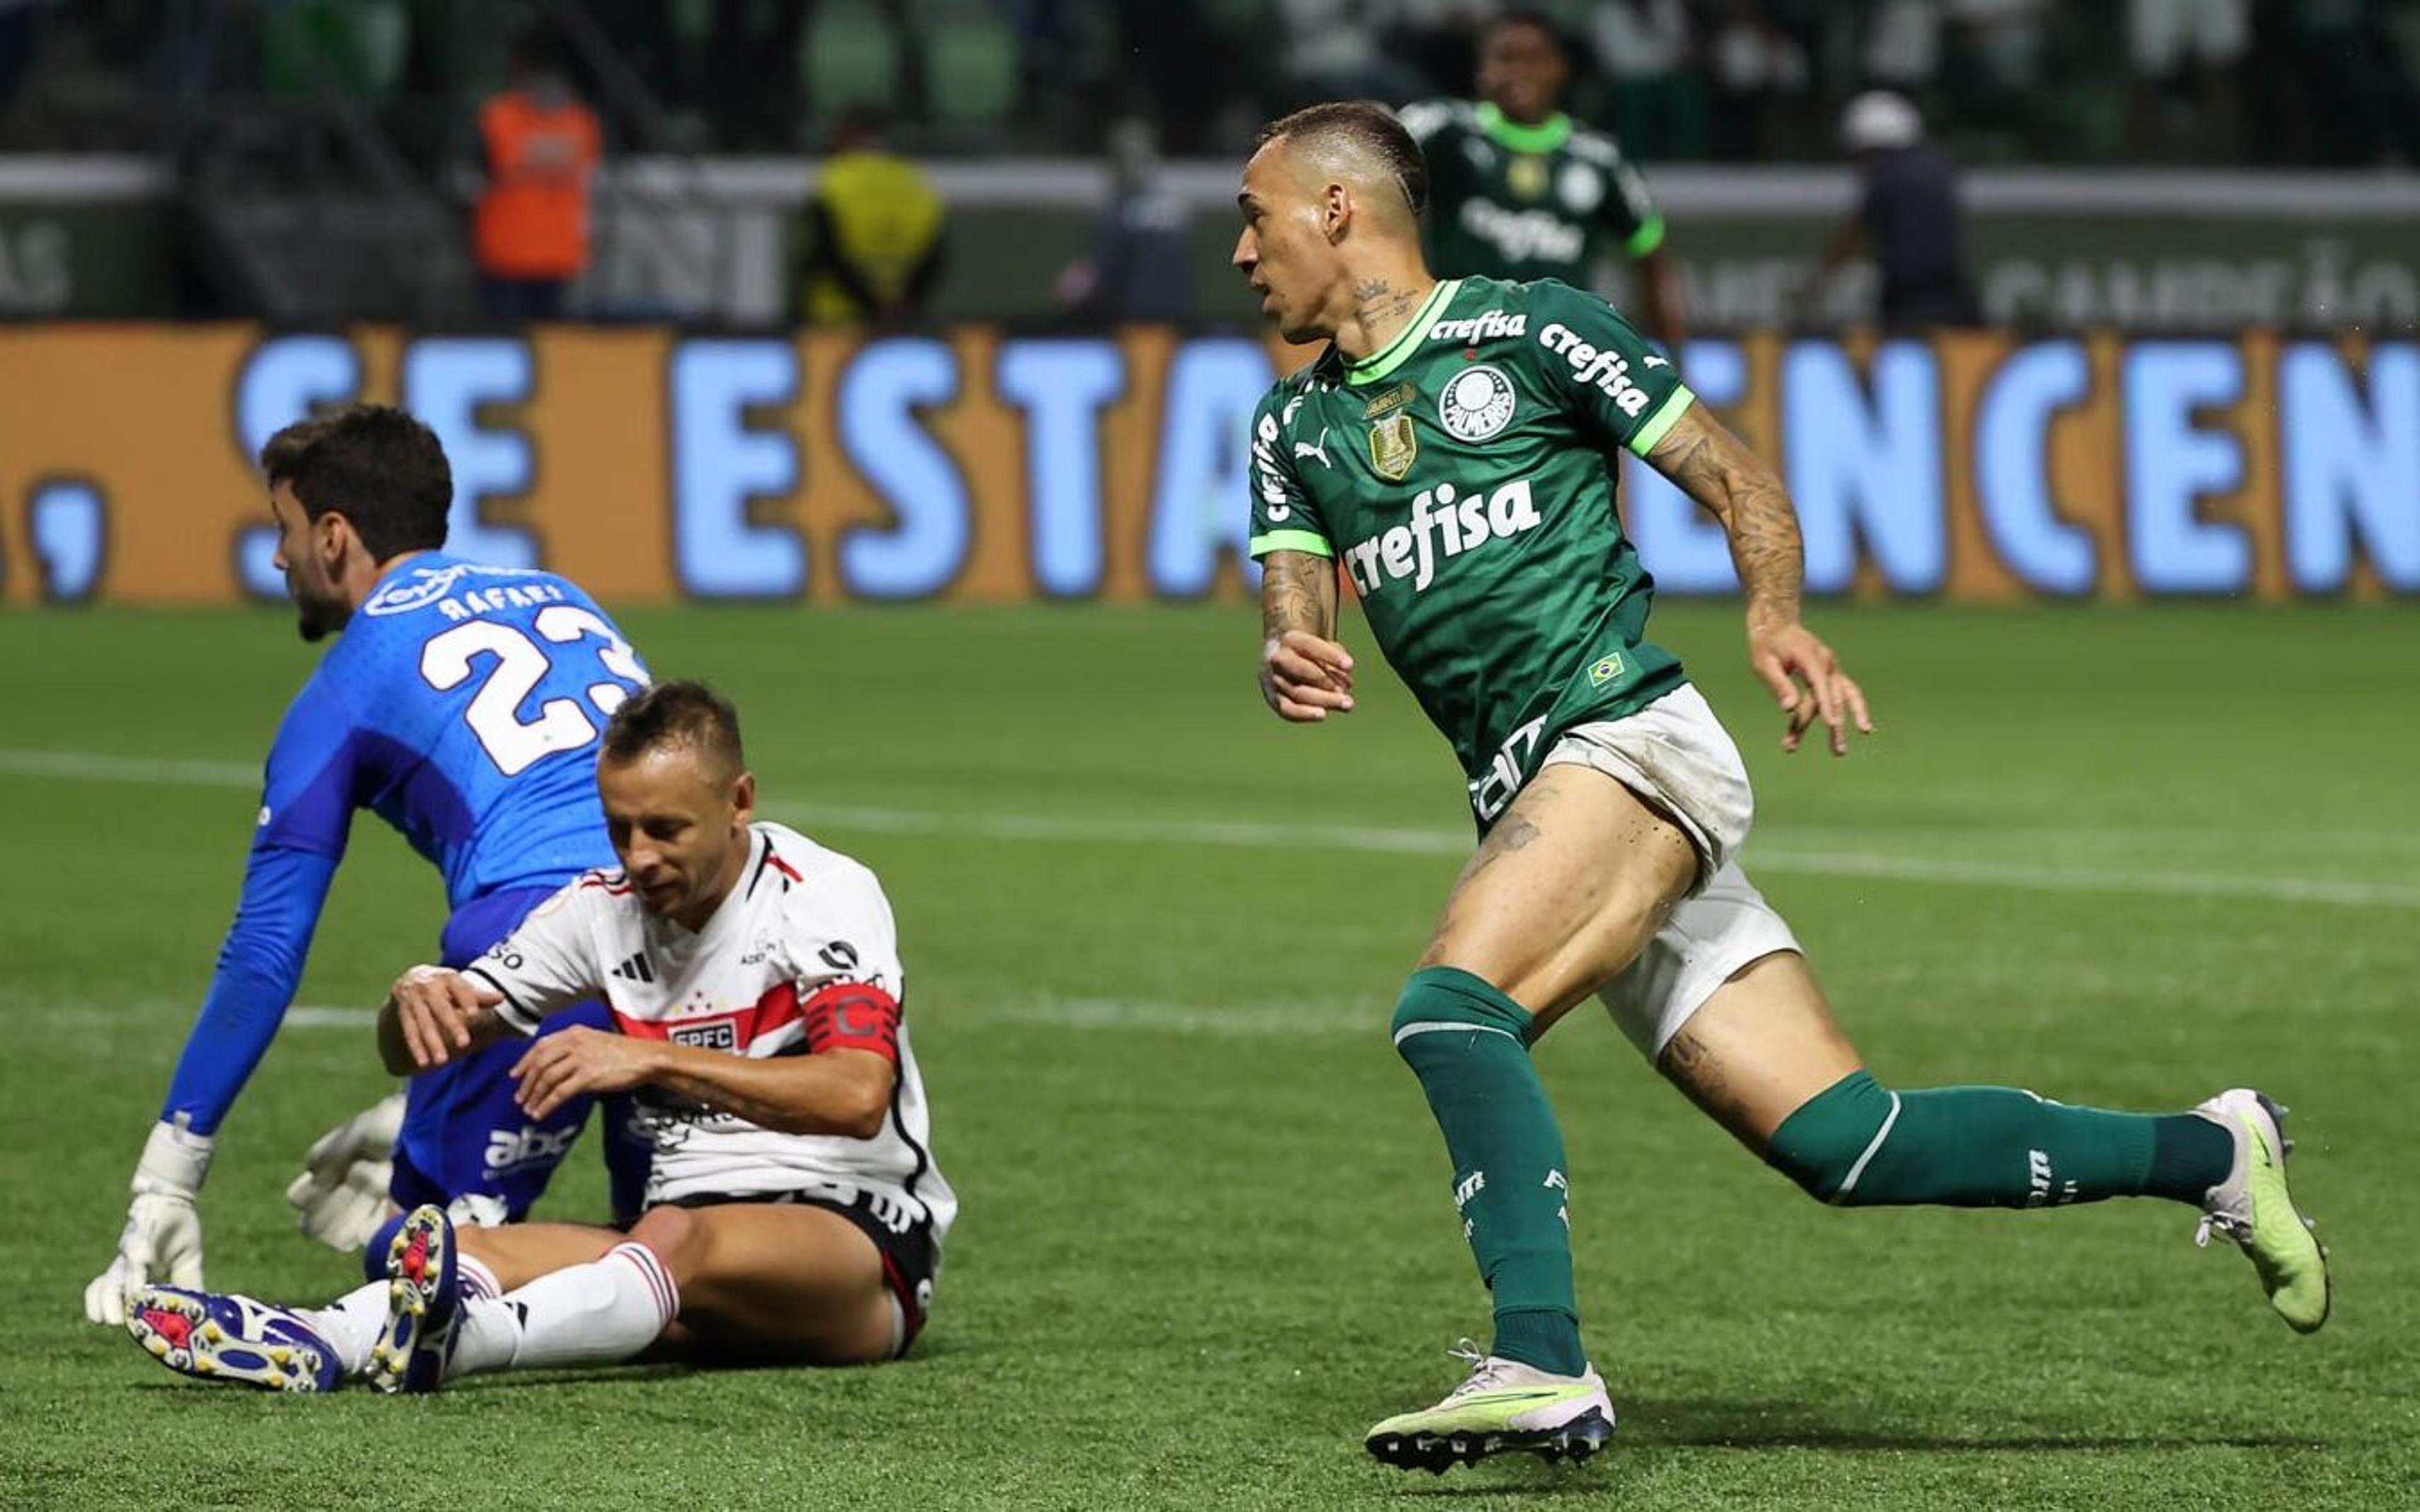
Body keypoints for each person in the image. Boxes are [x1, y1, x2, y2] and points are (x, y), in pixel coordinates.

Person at [1230, 101, 2330, 1474]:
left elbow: (1734, 477)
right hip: (1546, 792)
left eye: (1253, 214)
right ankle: (2217, 1151)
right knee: (1849, 1141)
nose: (1239, 250)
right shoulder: (1292, 425)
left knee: (1453, 1010)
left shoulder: (1527, 330)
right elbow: (1296, 595)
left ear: (1339, 209)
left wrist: (1772, 616)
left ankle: (1540, 1360)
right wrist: (1290, 645)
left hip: (1627, 737)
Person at [124, 681, 952, 1390]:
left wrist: (651, 1057)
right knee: (467, 1245)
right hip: (678, 1256)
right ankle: (323, 1340)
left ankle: (459, 1348)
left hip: (859, 1250)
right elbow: (418, 1047)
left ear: (739, 802)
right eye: (619, 828)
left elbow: (856, 1093)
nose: (639, 856)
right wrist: (413, 1001)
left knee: (672, 1236)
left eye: (666, 829)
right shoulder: (601, 910)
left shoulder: (821, 896)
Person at [83, 404, 654, 1328]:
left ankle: (412, 1187)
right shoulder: (565, 595)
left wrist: (168, 1179)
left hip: (538, 954)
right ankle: (426, 1126)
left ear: (335, 536)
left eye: (286, 529)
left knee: (416, 1266)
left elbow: (264, 951)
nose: (279, 557)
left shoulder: (345, 685)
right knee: (683, 1241)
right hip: (708, 945)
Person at [1398, 9, 1685, 351]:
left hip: (1555, 354)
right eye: (1506, 59)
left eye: (1534, 59)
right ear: (1482, 70)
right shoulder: (1444, 131)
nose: (1520, 72)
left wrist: (1676, 363)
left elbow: (1651, 258)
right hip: (1460, 345)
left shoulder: (1599, 158)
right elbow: (1373, 144)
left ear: (1560, 68)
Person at [1808, 90, 1980, 335]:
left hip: (1910, 303)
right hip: (1956, 295)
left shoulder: (1887, 176)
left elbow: (1854, 235)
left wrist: (1818, 282)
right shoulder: (1938, 168)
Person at [472, 37, 602, 323]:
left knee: (524, 342)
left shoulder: (499, 118)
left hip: (545, 254)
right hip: (513, 254)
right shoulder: (501, 118)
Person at [796, 110, 947, 328]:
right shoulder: (913, 181)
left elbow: (826, 254)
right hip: (899, 319)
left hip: (834, 318)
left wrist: (870, 304)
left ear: (849, 134)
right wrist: (901, 304)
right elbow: (935, 257)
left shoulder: (834, 180)